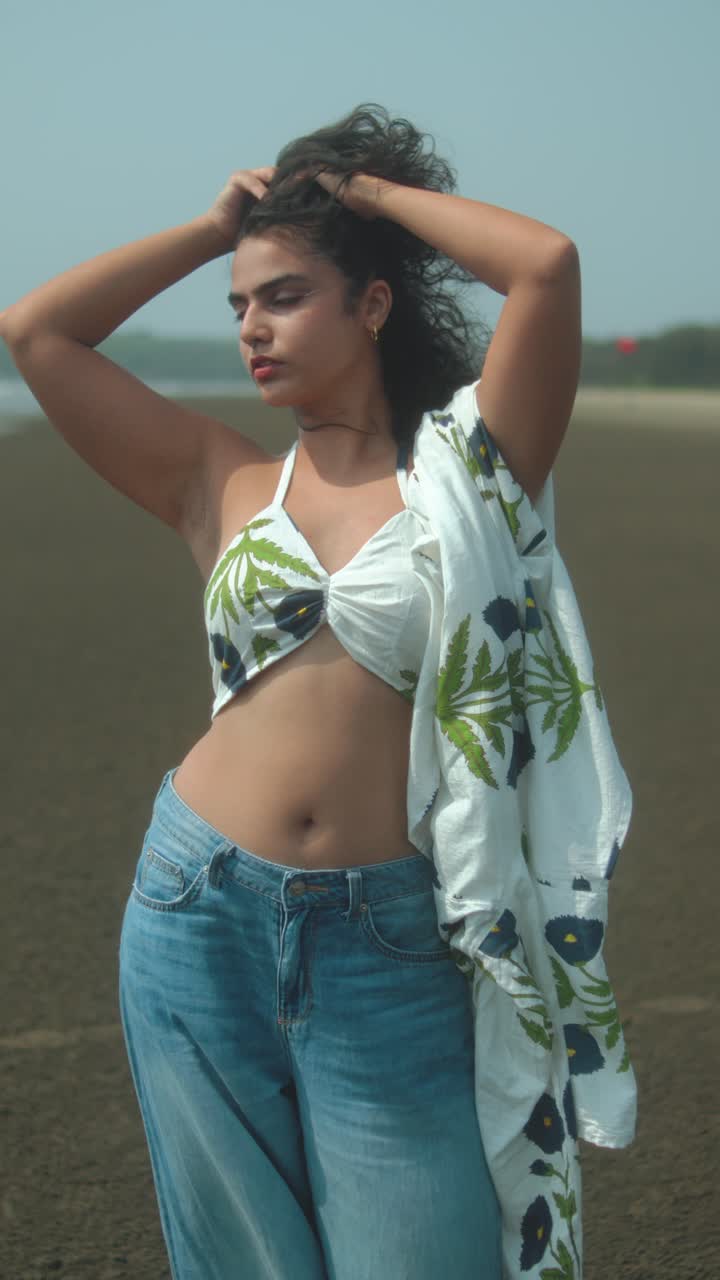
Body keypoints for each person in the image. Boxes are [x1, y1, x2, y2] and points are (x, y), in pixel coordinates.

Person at [1, 104, 632, 1280]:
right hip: (194, 904)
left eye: (283, 294)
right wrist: (211, 230)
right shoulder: (220, 479)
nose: (250, 325)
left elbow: (544, 264)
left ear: (373, 303)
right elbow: (36, 333)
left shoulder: (478, 468)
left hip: (385, 936)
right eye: (237, 304)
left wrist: (360, 194)